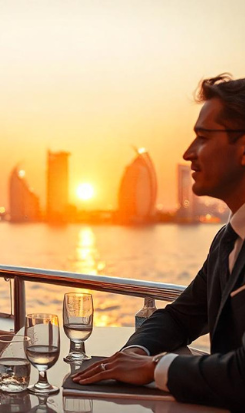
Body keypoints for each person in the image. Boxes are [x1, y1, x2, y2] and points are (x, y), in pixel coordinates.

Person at [73, 74, 245, 410]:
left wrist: (154, 367)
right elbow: (180, 317)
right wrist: (136, 353)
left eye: (203, 137)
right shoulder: (228, 240)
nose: (188, 153)